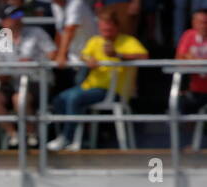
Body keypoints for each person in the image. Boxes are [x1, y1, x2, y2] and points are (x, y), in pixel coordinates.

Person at [48, 9, 147, 149]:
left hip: (114, 91)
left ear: (116, 26)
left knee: (73, 98)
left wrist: (118, 54)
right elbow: (84, 55)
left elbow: (144, 56)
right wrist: (89, 60)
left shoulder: (128, 41)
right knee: (60, 99)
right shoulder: (95, 41)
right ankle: (75, 136)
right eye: (103, 28)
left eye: (109, 28)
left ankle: (68, 139)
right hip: (89, 87)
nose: (106, 31)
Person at [0, 7, 55, 146]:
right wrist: (4, 74)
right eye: (13, 16)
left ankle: (31, 134)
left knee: (19, 98)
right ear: (4, 22)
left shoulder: (37, 33)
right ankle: (13, 134)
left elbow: (53, 54)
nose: (18, 18)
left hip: (38, 81)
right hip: (12, 82)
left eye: (19, 14)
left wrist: (35, 62)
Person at [175, 7, 207, 143]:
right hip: (194, 90)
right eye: (200, 22)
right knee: (176, 105)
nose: (203, 25)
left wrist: (196, 60)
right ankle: (181, 148)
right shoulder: (188, 35)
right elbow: (179, 57)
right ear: (193, 23)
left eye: (205, 22)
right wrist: (188, 58)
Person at [51, 0, 99, 65]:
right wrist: (58, 54)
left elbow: (70, 29)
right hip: (74, 57)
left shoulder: (76, 2)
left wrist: (61, 55)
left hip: (91, 55)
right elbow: (60, 30)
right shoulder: (55, 5)